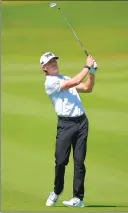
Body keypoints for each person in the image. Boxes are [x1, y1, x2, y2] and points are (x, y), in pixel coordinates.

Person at [40, 52, 97, 208]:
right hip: (65, 125)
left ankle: (78, 198)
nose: (54, 63)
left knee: (79, 162)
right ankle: (57, 190)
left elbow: (87, 87)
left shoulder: (65, 78)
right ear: (44, 68)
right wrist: (87, 66)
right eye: (50, 62)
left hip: (81, 122)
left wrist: (92, 73)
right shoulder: (49, 83)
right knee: (60, 161)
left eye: (54, 61)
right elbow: (75, 82)